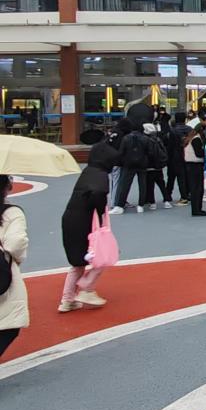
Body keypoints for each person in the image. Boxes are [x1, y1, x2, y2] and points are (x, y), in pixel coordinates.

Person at [59, 140, 120, 311]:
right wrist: (100, 210)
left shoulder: (88, 171)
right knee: (105, 254)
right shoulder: (100, 175)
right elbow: (98, 193)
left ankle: (67, 299)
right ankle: (87, 287)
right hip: (85, 223)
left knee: (78, 263)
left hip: (71, 220)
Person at [0, 174, 29, 358]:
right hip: (3, 270)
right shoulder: (11, 213)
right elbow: (15, 243)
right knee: (8, 325)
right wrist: (16, 259)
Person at [110, 121, 150, 214]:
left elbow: (121, 152)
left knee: (125, 184)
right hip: (142, 164)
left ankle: (120, 205)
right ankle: (141, 205)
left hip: (128, 164)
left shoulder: (126, 138)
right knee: (142, 184)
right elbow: (150, 151)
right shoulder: (145, 138)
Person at [140, 123, 173, 210]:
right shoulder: (158, 139)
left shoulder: (146, 140)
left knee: (150, 185)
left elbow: (148, 153)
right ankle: (166, 200)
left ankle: (152, 202)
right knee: (161, 184)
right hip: (158, 166)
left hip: (149, 166)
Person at [183, 123, 206, 217]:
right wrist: (205, 151)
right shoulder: (196, 139)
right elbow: (199, 153)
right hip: (196, 165)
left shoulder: (190, 138)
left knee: (194, 188)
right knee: (198, 188)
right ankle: (197, 209)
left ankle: (195, 209)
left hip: (189, 165)